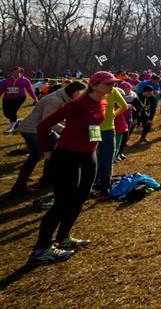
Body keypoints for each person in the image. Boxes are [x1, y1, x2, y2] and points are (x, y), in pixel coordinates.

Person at [29, 71, 118, 265]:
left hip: (89, 155)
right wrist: (46, 151)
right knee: (62, 202)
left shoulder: (101, 103)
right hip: (68, 156)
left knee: (80, 198)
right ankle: (40, 249)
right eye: (108, 84)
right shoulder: (77, 104)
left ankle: (64, 237)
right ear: (94, 85)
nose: (112, 87)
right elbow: (43, 126)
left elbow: (93, 128)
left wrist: (96, 146)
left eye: (113, 83)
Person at [9, 81, 86, 195]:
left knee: (52, 150)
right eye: (81, 93)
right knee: (36, 155)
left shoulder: (62, 97)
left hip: (40, 129)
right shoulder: (55, 100)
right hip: (33, 130)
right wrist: (68, 130)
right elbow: (49, 122)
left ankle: (46, 178)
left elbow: (58, 117)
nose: (82, 96)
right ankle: (20, 185)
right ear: (74, 92)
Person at [93, 78, 129, 195]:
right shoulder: (113, 91)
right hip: (107, 128)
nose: (112, 85)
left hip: (94, 128)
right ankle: (104, 187)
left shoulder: (90, 91)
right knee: (108, 157)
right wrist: (113, 115)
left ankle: (94, 182)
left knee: (94, 155)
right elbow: (124, 106)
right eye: (110, 83)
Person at [1, 66, 39, 133]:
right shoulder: (7, 80)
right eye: (13, 72)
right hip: (7, 98)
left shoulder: (25, 80)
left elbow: (30, 90)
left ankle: (11, 128)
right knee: (6, 113)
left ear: (20, 72)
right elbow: (1, 90)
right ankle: (16, 121)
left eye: (16, 72)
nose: (14, 73)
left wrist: (35, 98)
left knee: (13, 111)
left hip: (19, 97)